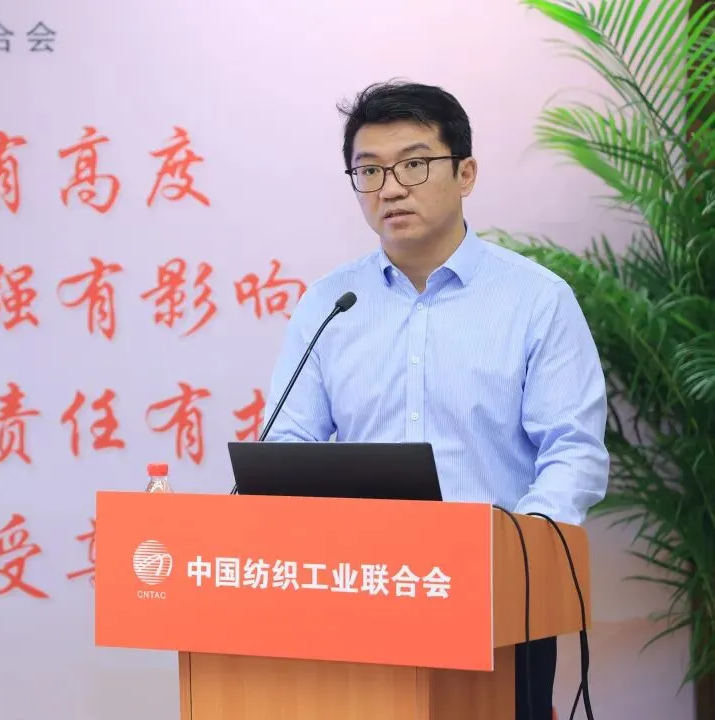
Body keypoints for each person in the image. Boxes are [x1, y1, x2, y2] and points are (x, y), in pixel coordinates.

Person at [260, 80, 610, 720]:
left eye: (414, 164)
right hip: (360, 592)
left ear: (465, 173)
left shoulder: (537, 300)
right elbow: (288, 442)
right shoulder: (331, 302)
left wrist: (520, 553)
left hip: (501, 602)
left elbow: (574, 450)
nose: (391, 188)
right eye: (369, 171)